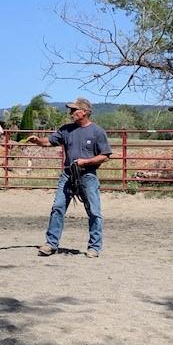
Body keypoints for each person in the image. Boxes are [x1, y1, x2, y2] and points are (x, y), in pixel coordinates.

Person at [26, 97, 112, 258]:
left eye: (74, 110)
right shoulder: (66, 130)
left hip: (87, 175)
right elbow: (49, 141)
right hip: (68, 174)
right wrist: (38, 141)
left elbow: (105, 155)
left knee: (94, 211)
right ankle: (51, 244)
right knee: (58, 207)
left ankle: (94, 246)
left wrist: (86, 161)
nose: (71, 113)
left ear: (85, 112)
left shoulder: (97, 132)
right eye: (71, 110)